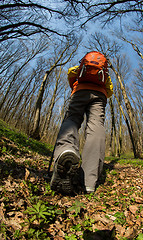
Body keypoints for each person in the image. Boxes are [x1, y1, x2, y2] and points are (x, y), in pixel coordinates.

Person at [50, 51, 113, 194]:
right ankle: (89, 181)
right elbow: (109, 91)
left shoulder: (80, 67)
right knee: (96, 126)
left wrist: (77, 85)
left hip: (80, 90)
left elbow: (71, 74)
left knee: (72, 118)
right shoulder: (105, 75)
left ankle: (66, 150)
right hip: (99, 95)